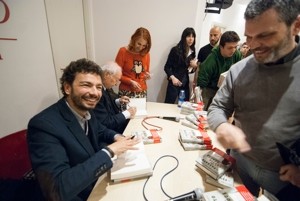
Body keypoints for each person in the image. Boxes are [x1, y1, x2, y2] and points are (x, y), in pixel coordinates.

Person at [207, 0, 300, 200]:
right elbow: (217, 107)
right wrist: (222, 126)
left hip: (285, 179)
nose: (253, 45)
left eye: (265, 35)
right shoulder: (239, 70)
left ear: (296, 26)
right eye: (249, 37)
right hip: (240, 163)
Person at [27, 58, 139, 201]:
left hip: (96, 181)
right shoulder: (43, 126)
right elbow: (57, 190)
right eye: (86, 85)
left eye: (99, 87)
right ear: (67, 88)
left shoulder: (86, 110)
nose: (95, 93)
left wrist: (117, 137)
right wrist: (110, 151)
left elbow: (100, 130)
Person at [197, 31, 242, 110]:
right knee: (203, 111)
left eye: (235, 47)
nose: (233, 50)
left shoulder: (237, 55)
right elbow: (202, 79)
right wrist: (199, 95)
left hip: (225, 89)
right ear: (221, 47)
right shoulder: (212, 59)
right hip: (209, 88)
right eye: (230, 48)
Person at [94, 61, 136, 133]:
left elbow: (107, 104)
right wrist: (127, 113)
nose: (116, 84)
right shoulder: (97, 92)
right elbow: (106, 122)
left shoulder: (105, 87)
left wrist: (118, 101)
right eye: (116, 80)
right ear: (107, 75)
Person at [164, 27, 198, 104]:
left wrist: (194, 67)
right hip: (174, 83)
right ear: (184, 37)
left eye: (193, 36)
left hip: (185, 84)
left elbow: (189, 70)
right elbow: (166, 67)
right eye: (188, 36)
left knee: (184, 107)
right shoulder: (175, 50)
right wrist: (173, 78)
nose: (191, 39)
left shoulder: (193, 51)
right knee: (168, 105)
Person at [115, 27, 151, 98]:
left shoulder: (146, 54)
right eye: (139, 44)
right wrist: (130, 81)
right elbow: (116, 74)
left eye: (144, 45)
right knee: (126, 109)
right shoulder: (123, 51)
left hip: (142, 90)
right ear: (133, 39)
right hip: (126, 91)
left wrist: (147, 75)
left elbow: (146, 72)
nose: (141, 48)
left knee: (141, 109)